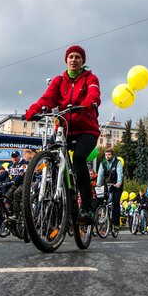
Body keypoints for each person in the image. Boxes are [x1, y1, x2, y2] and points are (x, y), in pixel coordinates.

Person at [25, 45, 101, 224]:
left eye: (77, 57)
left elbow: (94, 93)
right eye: (71, 57)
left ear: (83, 61)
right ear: (66, 60)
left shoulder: (90, 78)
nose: (74, 60)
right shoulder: (59, 81)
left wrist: (89, 102)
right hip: (64, 129)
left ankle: (87, 208)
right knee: (50, 154)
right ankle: (56, 194)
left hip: (86, 130)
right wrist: (34, 110)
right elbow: (47, 98)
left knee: (79, 159)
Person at [96, 147, 123, 228]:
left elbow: (120, 173)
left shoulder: (117, 162)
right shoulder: (102, 163)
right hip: (107, 183)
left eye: (109, 155)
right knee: (101, 199)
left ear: (112, 155)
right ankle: (102, 214)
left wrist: (119, 182)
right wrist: (98, 185)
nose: (107, 156)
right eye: (106, 155)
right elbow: (100, 175)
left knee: (116, 202)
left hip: (116, 184)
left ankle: (116, 224)